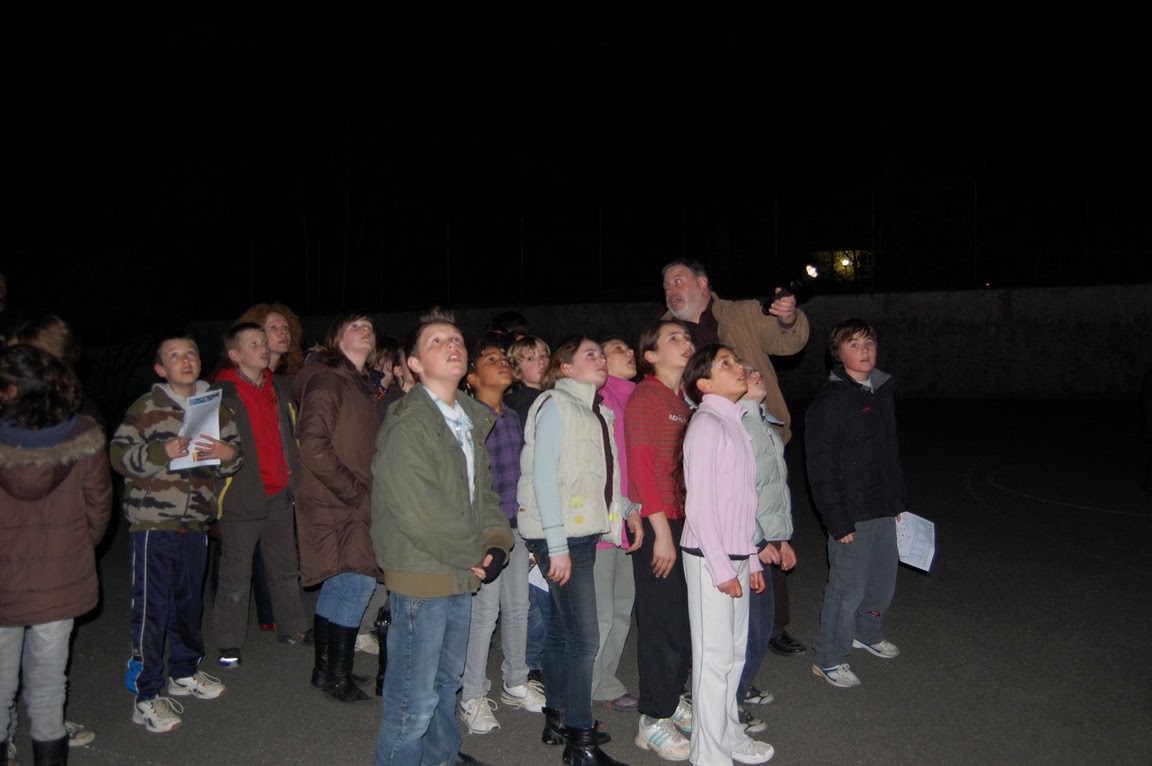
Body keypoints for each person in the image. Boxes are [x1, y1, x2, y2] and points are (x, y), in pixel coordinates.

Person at [372, 308, 513, 766]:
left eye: (456, 339)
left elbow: (483, 493)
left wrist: (496, 541)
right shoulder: (409, 422)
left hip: (458, 569)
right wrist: (473, 552)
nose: (452, 344)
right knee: (412, 702)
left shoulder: (467, 418)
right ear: (413, 364)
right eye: (436, 341)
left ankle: (441, 758)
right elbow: (418, 510)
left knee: (446, 683)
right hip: (422, 572)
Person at [661, 258, 809, 658]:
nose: (671, 290)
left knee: (766, 518)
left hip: (756, 430)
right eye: (667, 285)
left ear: (703, 283)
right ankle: (720, 625)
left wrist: (787, 316)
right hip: (708, 440)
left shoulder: (740, 313)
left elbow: (786, 340)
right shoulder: (667, 332)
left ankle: (772, 624)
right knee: (718, 521)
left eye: (679, 280)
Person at [517, 336, 641, 766]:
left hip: (581, 533)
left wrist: (626, 511)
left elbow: (601, 478)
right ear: (565, 368)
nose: (601, 360)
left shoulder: (598, 412)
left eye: (602, 355)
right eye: (591, 354)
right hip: (561, 537)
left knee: (560, 631)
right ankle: (580, 742)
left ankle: (557, 719)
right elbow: (544, 479)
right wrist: (556, 547)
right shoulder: (555, 404)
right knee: (585, 638)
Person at [110, 330, 241, 733]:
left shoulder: (216, 407)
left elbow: (233, 457)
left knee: (188, 603)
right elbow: (118, 455)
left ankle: (184, 672)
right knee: (152, 609)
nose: (185, 361)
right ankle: (146, 694)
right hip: (154, 521)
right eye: (174, 356)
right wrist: (161, 451)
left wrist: (228, 454)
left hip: (196, 521)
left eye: (191, 354)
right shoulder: (147, 407)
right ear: (160, 368)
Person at [0, 345, 112, 766]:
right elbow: (99, 508)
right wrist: (78, 549)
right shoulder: (83, 436)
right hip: (61, 577)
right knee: (49, 682)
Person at [680, 345, 775, 765]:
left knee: (734, 656)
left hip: (735, 554)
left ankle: (730, 736)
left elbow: (743, 505)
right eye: (726, 364)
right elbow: (700, 507)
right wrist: (721, 568)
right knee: (713, 660)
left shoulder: (733, 422)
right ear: (704, 384)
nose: (739, 368)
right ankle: (708, 754)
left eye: (736, 361)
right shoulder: (706, 425)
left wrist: (750, 559)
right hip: (708, 557)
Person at [805, 318, 907, 688]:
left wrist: (898, 502)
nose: (864, 351)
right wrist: (837, 520)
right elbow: (821, 467)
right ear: (839, 353)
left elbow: (890, 453)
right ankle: (829, 657)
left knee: (882, 582)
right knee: (846, 590)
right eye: (854, 345)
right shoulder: (831, 402)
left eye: (869, 344)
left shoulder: (881, 392)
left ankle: (867, 633)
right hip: (851, 512)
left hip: (882, 506)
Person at [293, 312, 384, 703]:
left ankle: (325, 669)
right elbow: (312, 442)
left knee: (337, 581)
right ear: (336, 338)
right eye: (355, 326)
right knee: (357, 580)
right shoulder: (329, 379)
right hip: (339, 497)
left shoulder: (355, 383)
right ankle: (338, 677)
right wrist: (355, 492)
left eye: (370, 327)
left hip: (345, 497)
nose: (365, 330)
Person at [457, 335, 546, 735]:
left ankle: (515, 681)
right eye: (490, 359)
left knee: (518, 607)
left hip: (516, 526)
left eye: (503, 358)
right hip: (484, 529)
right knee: (484, 613)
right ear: (472, 378)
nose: (502, 363)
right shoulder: (467, 417)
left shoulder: (511, 416)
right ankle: (472, 693)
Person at [212, 323, 310, 670]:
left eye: (263, 343)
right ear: (235, 354)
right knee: (236, 576)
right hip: (242, 496)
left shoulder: (278, 387)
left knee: (285, 569)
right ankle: (228, 642)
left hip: (280, 492)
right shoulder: (221, 394)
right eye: (253, 344)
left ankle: (292, 628)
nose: (263, 348)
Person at [624, 319, 696, 762]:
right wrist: (662, 535)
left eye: (687, 337)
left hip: (682, 522)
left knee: (683, 621)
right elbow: (642, 470)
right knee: (661, 625)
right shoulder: (647, 397)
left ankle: (671, 699)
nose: (685, 343)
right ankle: (652, 720)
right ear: (650, 355)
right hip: (660, 524)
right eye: (674, 338)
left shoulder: (681, 401)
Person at [735, 367, 797, 716]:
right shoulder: (739, 427)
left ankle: (739, 690)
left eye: (757, 371)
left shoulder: (765, 425)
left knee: (761, 624)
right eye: (746, 372)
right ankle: (728, 703)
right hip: (746, 541)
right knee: (748, 627)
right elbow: (738, 494)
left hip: (764, 539)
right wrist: (759, 541)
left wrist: (781, 538)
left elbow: (773, 492)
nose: (756, 374)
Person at [592, 336, 640, 712]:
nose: (630, 353)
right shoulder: (601, 397)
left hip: (631, 520)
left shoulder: (635, 397)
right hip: (604, 523)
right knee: (601, 614)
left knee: (622, 607)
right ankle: (588, 687)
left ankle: (604, 681)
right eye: (619, 349)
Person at [504, 334, 552, 684]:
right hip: (530, 507)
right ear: (517, 369)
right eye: (530, 357)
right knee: (535, 589)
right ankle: (532, 662)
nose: (541, 362)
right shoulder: (522, 404)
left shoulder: (549, 398)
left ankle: (540, 658)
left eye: (544, 355)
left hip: (545, 506)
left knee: (544, 587)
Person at [236, 302, 306, 377]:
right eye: (273, 327)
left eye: (285, 327)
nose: (283, 332)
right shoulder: (243, 375)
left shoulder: (293, 375)